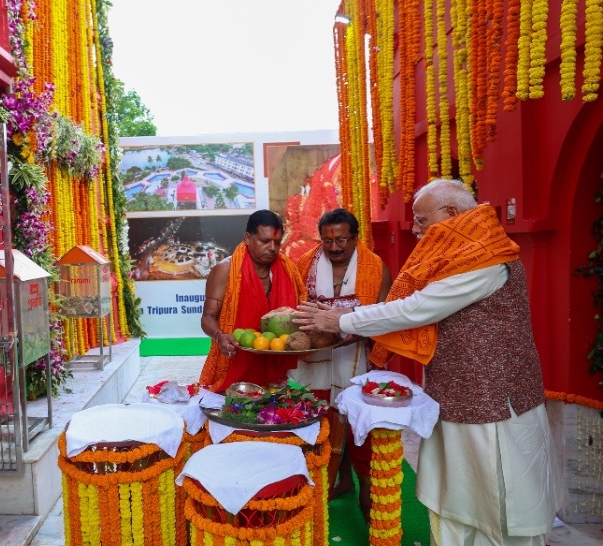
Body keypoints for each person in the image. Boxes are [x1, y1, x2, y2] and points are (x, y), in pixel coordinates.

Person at [295, 179, 563, 546]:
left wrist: (341, 319)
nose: (415, 229)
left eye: (421, 219)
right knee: (458, 493)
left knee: (495, 499)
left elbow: (417, 308)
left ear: (451, 213)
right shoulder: (462, 255)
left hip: (493, 400)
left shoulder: (484, 259)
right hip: (460, 392)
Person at [291, 208, 391, 513]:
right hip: (314, 360)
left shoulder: (376, 267)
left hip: (356, 357)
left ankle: (363, 484)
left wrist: (349, 329)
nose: (334, 247)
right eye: (327, 240)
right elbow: (292, 305)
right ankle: (337, 479)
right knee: (319, 419)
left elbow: (386, 315)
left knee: (354, 425)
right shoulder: (304, 264)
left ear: (355, 238)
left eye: (342, 240)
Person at [199, 209, 307, 392]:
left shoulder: (289, 270)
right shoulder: (225, 270)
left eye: (277, 242)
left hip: (278, 371)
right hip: (235, 365)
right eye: (265, 241)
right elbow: (207, 317)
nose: (272, 248)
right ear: (248, 238)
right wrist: (219, 336)